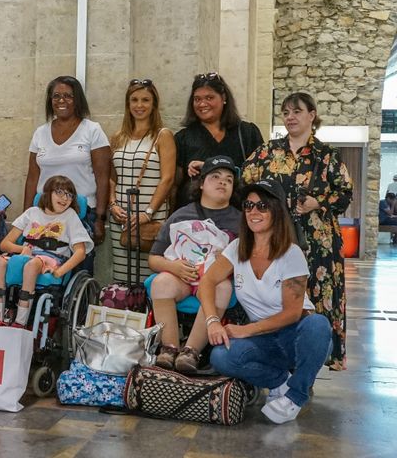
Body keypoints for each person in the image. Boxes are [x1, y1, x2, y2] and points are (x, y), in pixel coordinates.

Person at [198, 179, 332, 424]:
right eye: (249, 205)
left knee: (319, 325)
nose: (254, 212)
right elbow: (206, 282)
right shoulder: (237, 248)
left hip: (297, 337)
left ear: (276, 210)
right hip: (264, 339)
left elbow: (292, 314)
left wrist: (245, 330)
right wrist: (212, 321)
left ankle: (296, 396)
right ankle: (279, 381)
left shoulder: (291, 254)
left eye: (262, 206)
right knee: (220, 357)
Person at [242, 92, 352, 371]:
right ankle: (280, 359)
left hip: (318, 241)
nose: (290, 117)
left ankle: (310, 364)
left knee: (317, 300)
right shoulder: (269, 151)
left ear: (312, 115)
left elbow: (345, 194)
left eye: (297, 111)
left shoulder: (326, 156)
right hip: (278, 236)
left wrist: (319, 202)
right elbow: (243, 178)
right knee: (279, 298)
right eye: (286, 112)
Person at [148, 156, 241, 373]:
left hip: (215, 282)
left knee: (223, 287)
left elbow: (248, 262)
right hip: (183, 278)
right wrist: (174, 267)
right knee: (161, 282)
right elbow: (153, 259)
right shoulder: (181, 215)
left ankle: (191, 351)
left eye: (229, 180)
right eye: (215, 177)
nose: (222, 182)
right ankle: (169, 348)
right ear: (201, 183)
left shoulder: (240, 221)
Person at [23, 76, 111, 271]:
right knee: (39, 266)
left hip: (81, 213)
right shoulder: (40, 133)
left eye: (68, 96)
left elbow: (103, 178)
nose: (61, 100)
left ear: (77, 99)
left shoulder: (92, 131)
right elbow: (32, 179)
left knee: (77, 268)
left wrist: (100, 218)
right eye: (56, 96)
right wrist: (27, 214)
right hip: (44, 215)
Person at [0, 176, 93, 327]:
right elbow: (5, 244)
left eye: (69, 195)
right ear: (47, 193)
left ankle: (20, 321)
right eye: (59, 192)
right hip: (26, 255)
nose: (65, 198)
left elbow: (80, 252)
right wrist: (23, 249)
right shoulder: (31, 213)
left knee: (33, 264)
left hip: (51, 258)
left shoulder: (70, 216)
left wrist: (60, 272)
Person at [108, 78, 175, 284]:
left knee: (149, 276)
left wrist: (148, 213)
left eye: (145, 100)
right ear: (128, 104)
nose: (139, 105)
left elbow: (167, 178)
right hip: (122, 219)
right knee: (122, 276)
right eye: (134, 100)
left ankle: (147, 315)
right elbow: (112, 178)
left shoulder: (162, 136)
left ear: (154, 104)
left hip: (151, 218)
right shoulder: (118, 137)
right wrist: (112, 205)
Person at [173, 72, 263, 210]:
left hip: (237, 216)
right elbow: (175, 184)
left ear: (224, 98)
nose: (202, 104)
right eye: (197, 99)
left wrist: (209, 167)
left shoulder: (247, 133)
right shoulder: (183, 138)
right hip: (195, 221)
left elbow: (259, 175)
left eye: (209, 97)